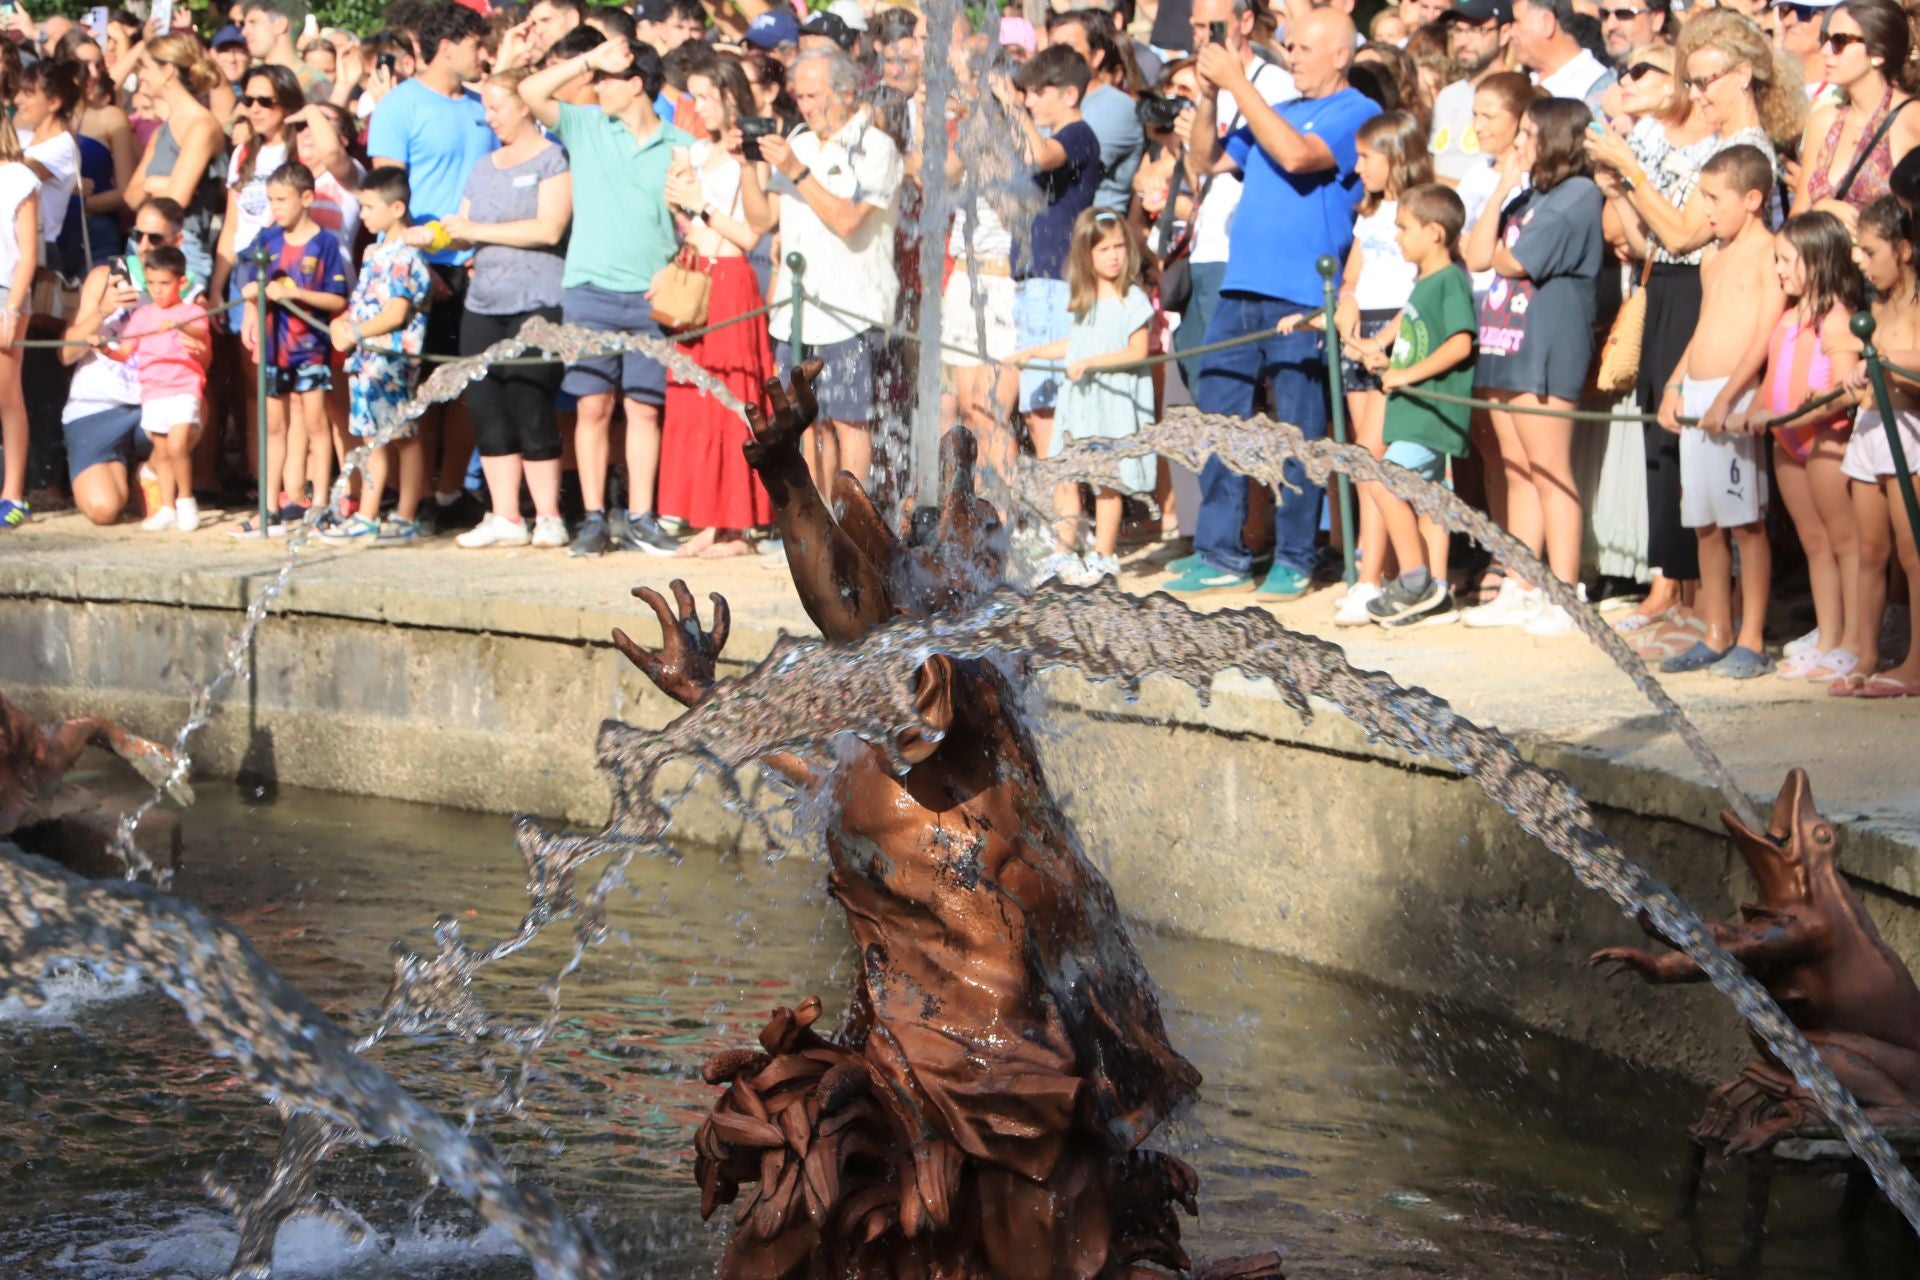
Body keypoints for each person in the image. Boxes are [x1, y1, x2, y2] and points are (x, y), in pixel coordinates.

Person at [1585, 9, 1801, 637]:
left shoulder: (1747, 150)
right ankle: (1705, 617)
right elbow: (1664, 243)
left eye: (1706, 80)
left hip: (1729, 329)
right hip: (1691, 306)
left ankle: (1731, 623)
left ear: (1745, 75)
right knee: (1691, 488)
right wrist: (1624, 188)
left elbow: (1681, 235)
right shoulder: (1722, 144)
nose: (1697, 93)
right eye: (1692, 81)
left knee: (1735, 507)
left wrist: (1629, 167)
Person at [1165, 8, 1379, 599]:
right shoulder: (1273, 107)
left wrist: (1237, 83)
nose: (1292, 55)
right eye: (1289, 45)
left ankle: (1295, 557)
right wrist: (1210, 96)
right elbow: (1206, 160)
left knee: (1299, 432)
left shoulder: (1357, 110)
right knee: (1218, 420)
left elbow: (1297, 157)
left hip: (1303, 297)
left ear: (1340, 54)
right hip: (1240, 288)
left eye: (1304, 47)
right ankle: (1220, 553)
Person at [521, 36, 689, 556]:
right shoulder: (587, 125)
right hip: (589, 291)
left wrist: (678, 265)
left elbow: (696, 223)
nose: (595, 87)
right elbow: (530, 91)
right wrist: (590, 59)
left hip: (652, 297)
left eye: (606, 80)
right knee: (592, 405)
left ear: (636, 84)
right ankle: (594, 518)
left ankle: (641, 517)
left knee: (644, 410)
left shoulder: (681, 143)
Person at [1462, 95, 1605, 634]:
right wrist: (1502, 188)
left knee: (1548, 469)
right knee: (1517, 469)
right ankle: (1522, 584)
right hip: (1505, 339)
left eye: (1527, 133)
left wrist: (1504, 255)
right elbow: (1478, 256)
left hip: (1547, 342)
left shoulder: (1578, 194)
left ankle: (1566, 592)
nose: (1518, 142)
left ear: (1554, 138)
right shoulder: (1528, 196)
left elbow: (1514, 260)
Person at [742, 46, 905, 495]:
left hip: (851, 309)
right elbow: (761, 220)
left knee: (850, 422)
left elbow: (848, 221)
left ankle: (853, 518)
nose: (806, 106)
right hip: (795, 312)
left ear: (847, 92)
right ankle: (819, 520)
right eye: (801, 96)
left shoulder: (876, 148)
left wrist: (797, 171)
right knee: (806, 425)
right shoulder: (798, 143)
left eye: (814, 96)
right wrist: (748, 166)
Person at [425, 67, 573, 552]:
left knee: (530, 402)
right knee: (485, 405)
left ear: (524, 105)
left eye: (496, 107)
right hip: (483, 300)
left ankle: (548, 514)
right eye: (485, 108)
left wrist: (476, 231)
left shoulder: (553, 158)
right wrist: (433, 234)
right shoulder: (484, 166)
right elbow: (463, 226)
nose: (489, 117)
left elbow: (549, 228)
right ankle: (506, 514)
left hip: (536, 300)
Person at [368, 2, 497, 534]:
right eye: (475, 44)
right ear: (446, 47)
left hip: (480, 264)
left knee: (468, 383)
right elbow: (387, 197)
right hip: (422, 269)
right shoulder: (398, 106)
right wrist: (418, 265)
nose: (483, 54)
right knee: (419, 389)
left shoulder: (484, 106)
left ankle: (450, 491)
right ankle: (414, 497)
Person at [1655, 145, 1782, 675]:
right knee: (1705, 521)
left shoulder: (1768, 253)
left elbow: (1765, 332)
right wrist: (1675, 384)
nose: (1704, 209)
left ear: (1751, 199)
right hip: (1699, 397)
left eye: (1713, 198)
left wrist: (1730, 396)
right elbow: (1703, 327)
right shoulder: (1713, 256)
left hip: (1737, 398)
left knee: (1745, 522)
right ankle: (1716, 629)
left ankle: (1752, 635)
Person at [657, 57, 775, 558]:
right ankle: (708, 518)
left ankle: (738, 524)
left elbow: (750, 234)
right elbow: (686, 219)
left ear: (730, 96)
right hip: (695, 273)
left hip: (730, 278)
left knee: (731, 399)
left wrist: (700, 204)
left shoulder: (752, 154)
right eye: (695, 96)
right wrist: (679, 196)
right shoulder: (699, 149)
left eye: (705, 96)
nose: (698, 106)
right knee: (694, 400)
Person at [1011, 207, 1157, 584]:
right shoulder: (1084, 300)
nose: (1114, 256)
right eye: (1104, 249)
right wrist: (1034, 353)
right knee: (1066, 473)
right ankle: (1063, 551)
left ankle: (1103, 556)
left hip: (1113, 403)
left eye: (1119, 247)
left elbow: (1138, 351)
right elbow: (1075, 344)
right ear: (1087, 255)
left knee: (1107, 482)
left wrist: (1092, 363)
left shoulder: (1132, 299)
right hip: (1082, 403)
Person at [1326, 109, 1431, 624]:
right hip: (1361, 330)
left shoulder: (1420, 209)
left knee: (1375, 458)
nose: (1357, 167)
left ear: (1397, 156)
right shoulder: (1368, 214)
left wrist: (1386, 339)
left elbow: (1424, 284)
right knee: (1362, 460)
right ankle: (1374, 572)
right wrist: (1346, 300)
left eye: (1367, 157)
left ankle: (1373, 578)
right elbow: (1352, 275)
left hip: (1397, 332)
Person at [1751, 211, 1863, 681]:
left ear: (1816, 260)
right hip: (1786, 443)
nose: (1778, 269)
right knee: (1815, 543)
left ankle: (1855, 639)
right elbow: (1771, 378)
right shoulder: (1787, 317)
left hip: (1825, 437)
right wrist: (1755, 411)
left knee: (1845, 542)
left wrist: (1786, 417)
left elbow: (1844, 389)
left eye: (1785, 260)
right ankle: (1828, 635)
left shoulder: (1835, 318)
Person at [1363, 183, 1479, 625]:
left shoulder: (1450, 280)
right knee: (1427, 503)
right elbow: (1418, 340)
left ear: (1434, 233)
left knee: (1385, 483)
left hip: (1430, 418)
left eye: (1403, 228)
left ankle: (1415, 580)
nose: (1397, 237)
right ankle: (1436, 597)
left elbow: (1460, 344)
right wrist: (1386, 358)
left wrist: (1404, 375)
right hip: (1410, 415)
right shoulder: (1425, 283)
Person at [992, 45, 1103, 497]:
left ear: (1070, 94)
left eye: (1039, 92)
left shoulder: (1079, 134)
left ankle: (1066, 522)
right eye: (1028, 92)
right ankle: (1051, 515)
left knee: (1048, 412)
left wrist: (1014, 108)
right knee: (1025, 409)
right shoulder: (1049, 138)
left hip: (1055, 285)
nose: (1030, 99)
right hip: (1034, 284)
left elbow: (1040, 156)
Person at [1172, 0, 1296, 400]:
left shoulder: (1275, 83)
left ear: (1245, 21)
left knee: (1223, 385)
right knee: (1199, 372)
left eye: (1212, 27)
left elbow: (1283, 158)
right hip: (1205, 246)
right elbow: (1201, 169)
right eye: (1196, 26)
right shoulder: (1206, 87)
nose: (1201, 37)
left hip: (1240, 252)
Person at [60, 199, 204, 529]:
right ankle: (127, 476)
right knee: (104, 509)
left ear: (177, 241)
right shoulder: (105, 277)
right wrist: (103, 310)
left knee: (196, 407)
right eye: (138, 235)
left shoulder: (188, 288)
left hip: (153, 403)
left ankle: (151, 471)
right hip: (95, 407)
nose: (144, 246)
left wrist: (194, 344)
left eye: (155, 238)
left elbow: (200, 365)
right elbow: (65, 354)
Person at [235, 162, 352, 528]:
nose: (276, 207)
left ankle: (319, 505)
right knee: (273, 425)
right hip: (274, 348)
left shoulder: (324, 243)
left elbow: (337, 298)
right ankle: (269, 506)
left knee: (317, 423)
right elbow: (246, 280)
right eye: (271, 200)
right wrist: (252, 294)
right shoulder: (267, 240)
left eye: (282, 200)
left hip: (311, 349)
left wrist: (295, 293)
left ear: (306, 198)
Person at [1837, 195, 1920, 696]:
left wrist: (1883, 360)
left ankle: (1916, 662)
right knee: (1869, 551)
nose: (1862, 264)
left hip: (1907, 429)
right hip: (1870, 426)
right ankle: (1866, 653)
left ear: (1903, 249)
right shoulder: (1878, 302)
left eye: (1870, 252)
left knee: (1914, 554)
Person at [325, 167, 434, 548]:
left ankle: (402, 515)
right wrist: (344, 326)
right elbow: (365, 303)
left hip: (391, 361)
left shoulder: (404, 256)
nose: (364, 214)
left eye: (370, 207)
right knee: (372, 437)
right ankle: (368, 516)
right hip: (366, 361)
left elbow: (395, 313)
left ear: (397, 207)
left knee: (401, 437)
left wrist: (356, 332)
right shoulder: (376, 253)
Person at [91, 246, 210, 532]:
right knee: (163, 451)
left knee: (178, 446)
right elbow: (124, 352)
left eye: (164, 283)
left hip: (183, 386)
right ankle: (167, 507)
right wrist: (104, 348)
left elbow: (200, 331)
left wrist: (179, 325)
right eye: (152, 283)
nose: (157, 290)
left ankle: (186, 500)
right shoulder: (143, 315)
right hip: (153, 390)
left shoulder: (192, 311)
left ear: (181, 282)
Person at [1792, 0, 1920, 226]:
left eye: (1839, 41)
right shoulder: (1823, 121)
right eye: (1824, 39)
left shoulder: (1910, 118)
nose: (1825, 51)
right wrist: (1821, 209)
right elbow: (1796, 217)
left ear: (1877, 53)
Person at [1048, 9, 1147, 213]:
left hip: (1095, 227)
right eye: (1053, 48)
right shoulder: (1049, 101)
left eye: (1068, 48)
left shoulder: (1117, 107)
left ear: (1096, 57)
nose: (1057, 57)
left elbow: (1061, 167)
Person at [1433, 0, 1513, 184]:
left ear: (1504, 34)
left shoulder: (1516, 97)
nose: (1462, 41)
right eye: (1457, 30)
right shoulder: (1446, 95)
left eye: (1476, 30)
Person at [0, 119, 35, 533]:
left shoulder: (18, 177)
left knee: (6, 391)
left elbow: (27, 252)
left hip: (5, 289)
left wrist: (10, 308)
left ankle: (12, 493)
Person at [16, 59, 83, 270]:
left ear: (53, 102)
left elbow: (20, 175)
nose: (17, 100)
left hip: (39, 250)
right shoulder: (21, 137)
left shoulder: (64, 147)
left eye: (28, 94)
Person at [1511, 0, 1615, 109]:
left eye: (1517, 22)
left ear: (1547, 23)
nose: (1511, 32)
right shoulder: (1521, 78)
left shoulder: (1596, 89)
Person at [242, 0, 332, 102]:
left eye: (253, 22)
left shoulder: (314, 84)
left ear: (280, 25)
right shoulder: (251, 81)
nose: (244, 32)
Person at [1600, 0, 1667, 67]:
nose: (1610, 26)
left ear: (1656, 19)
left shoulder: (1671, 71)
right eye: (1604, 14)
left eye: (1624, 14)